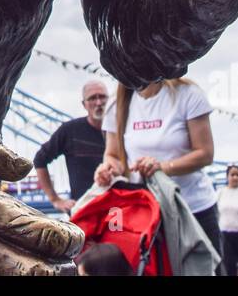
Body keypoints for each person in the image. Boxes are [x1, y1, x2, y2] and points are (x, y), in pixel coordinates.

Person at [96, 78, 221, 260]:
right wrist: (108, 169)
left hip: (193, 210)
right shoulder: (117, 103)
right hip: (147, 215)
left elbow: (205, 153)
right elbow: (113, 155)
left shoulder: (188, 93)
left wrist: (161, 167)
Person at [33, 81, 109, 211]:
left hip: (119, 208)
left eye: (102, 97)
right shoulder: (70, 130)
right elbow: (39, 160)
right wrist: (55, 199)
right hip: (84, 210)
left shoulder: (124, 129)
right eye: (92, 98)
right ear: (84, 104)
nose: (98, 102)